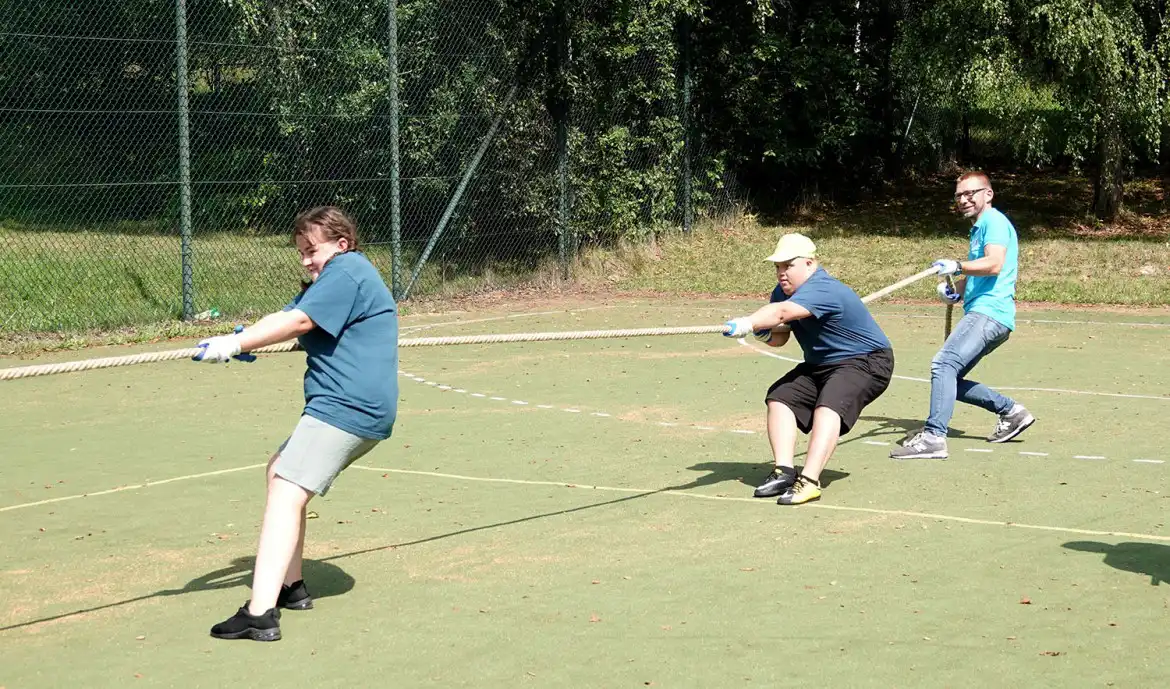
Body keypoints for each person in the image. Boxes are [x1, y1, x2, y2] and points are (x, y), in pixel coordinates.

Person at [193, 206, 399, 641]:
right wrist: (245, 336)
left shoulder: (348, 270)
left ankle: (260, 613)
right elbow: (286, 317)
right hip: (351, 407)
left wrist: (235, 344)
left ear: (342, 244)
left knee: (286, 490)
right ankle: (292, 587)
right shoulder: (332, 280)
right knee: (279, 470)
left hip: (347, 406)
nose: (306, 260)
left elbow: (300, 322)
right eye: (301, 252)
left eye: (312, 250)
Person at [723, 233, 894, 505]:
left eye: (788, 265)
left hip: (866, 361)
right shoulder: (782, 293)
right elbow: (780, 336)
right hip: (821, 365)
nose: (781, 273)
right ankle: (784, 471)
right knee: (781, 397)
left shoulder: (822, 288)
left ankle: (809, 481)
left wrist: (747, 322)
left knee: (828, 406)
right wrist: (763, 332)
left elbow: (780, 314)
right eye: (778, 266)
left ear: (810, 264)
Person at [890, 171, 1034, 460]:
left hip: (989, 312)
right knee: (949, 380)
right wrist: (956, 290)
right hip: (989, 313)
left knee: (943, 365)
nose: (963, 200)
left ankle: (934, 438)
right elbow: (981, 271)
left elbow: (994, 264)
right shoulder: (979, 228)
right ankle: (1011, 412)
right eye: (959, 196)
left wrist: (957, 265)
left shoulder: (993, 221)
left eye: (970, 193)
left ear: (988, 194)